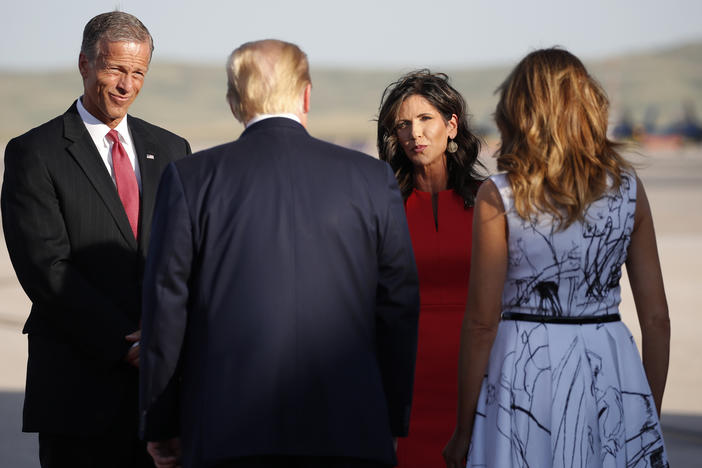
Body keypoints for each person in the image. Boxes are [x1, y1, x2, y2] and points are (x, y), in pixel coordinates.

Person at [139, 39, 420, 468]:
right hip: (349, 429)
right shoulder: (371, 178)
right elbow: (398, 308)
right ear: (307, 94)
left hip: (225, 432)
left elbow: (166, 310)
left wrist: (160, 423)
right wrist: (392, 419)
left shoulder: (190, 179)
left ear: (235, 102)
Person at [443, 48, 670, 468]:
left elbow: (480, 324)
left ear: (517, 110)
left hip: (524, 374)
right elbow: (657, 321)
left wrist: (463, 428)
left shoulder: (500, 194)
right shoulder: (628, 189)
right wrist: (646, 416)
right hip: (609, 364)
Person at [1, 11, 191, 468]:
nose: (127, 84)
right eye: (116, 70)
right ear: (85, 64)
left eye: (138, 72)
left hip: (160, 393)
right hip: (78, 391)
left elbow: (187, 256)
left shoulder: (172, 150)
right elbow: (46, 269)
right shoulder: (34, 152)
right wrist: (126, 343)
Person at [376, 70, 483, 467]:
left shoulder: (488, 201)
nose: (414, 134)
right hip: (407, 374)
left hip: (478, 370)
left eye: (425, 119)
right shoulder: (383, 205)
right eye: (403, 124)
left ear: (451, 125)